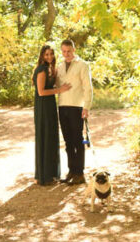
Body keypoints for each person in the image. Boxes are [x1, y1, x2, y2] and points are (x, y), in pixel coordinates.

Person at [33, 45, 71, 185]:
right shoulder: (42, 70)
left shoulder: (51, 69)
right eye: (46, 54)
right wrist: (60, 90)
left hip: (50, 106)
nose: (49, 57)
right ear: (42, 56)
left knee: (51, 136)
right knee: (44, 137)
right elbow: (41, 92)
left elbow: (53, 85)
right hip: (43, 107)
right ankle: (42, 175)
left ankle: (50, 173)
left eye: (51, 54)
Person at [56, 39, 93, 185]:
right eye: (64, 51)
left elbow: (88, 87)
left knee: (78, 140)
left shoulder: (83, 65)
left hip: (77, 107)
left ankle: (80, 173)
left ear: (74, 50)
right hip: (62, 106)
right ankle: (71, 171)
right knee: (67, 141)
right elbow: (57, 85)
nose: (67, 54)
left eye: (69, 51)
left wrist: (86, 107)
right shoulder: (59, 66)